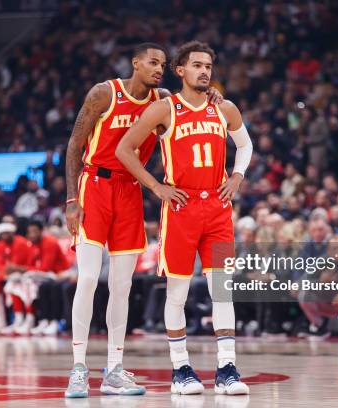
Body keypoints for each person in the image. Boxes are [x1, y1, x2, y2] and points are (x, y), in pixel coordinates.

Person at [64, 42, 222, 398]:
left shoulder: (163, 100)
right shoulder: (105, 93)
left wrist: (208, 91)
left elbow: (194, 100)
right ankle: (77, 368)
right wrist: (72, 199)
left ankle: (114, 370)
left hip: (131, 190)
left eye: (163, 64)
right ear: (135, 63)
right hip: (95, 185)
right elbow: (75, 144)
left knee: (122, 286)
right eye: (153, 62)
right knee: (88, 278)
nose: (159, 69)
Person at [117, 41, 252, 395]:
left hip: (219, 210)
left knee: (222, 292)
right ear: (181, 70)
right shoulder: (165, 109)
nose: (204, 71)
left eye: (208, 65)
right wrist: (157, 187)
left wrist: (237, 177)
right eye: (197, 65)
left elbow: (246, 145)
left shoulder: (225, 109)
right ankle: (181, 369)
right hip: (180, 209)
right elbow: (124, 150)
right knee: (176, 293)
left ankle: (227, 368)